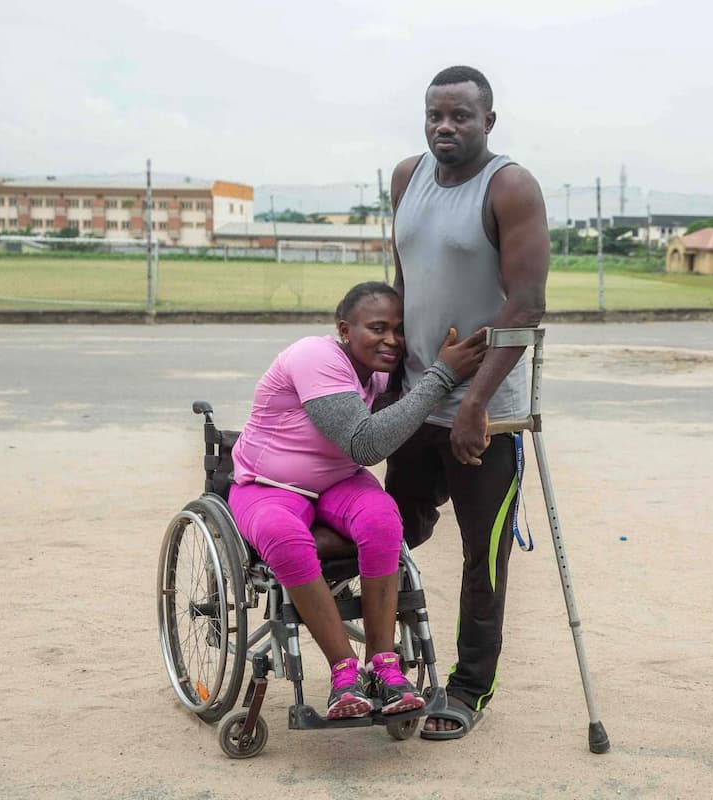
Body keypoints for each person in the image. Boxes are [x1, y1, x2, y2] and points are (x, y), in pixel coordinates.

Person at [228, 281, 487, 720]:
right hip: (270, 484)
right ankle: (344, 673)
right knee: (282, 534)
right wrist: (442, 374)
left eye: (400, 330)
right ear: (345, 329)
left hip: (337, 481)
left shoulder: (381, 370)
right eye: (378, 328)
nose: (392, 340)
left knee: (385, 521)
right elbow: (365, 445)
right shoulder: (315, 356)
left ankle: (386, 668)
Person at [385, 65, 550, 740]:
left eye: (460, 116)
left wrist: (477, 401)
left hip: (488, 411)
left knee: (482, 558)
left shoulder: (509, 186)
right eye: (434, 116)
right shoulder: (405, 177)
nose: (444, 127)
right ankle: (385, 670)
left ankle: (468, 689)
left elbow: (528, 305)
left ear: (488, 121)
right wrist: (383, 376)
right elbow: (402, 280)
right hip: (416, 399)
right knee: (389, 532)